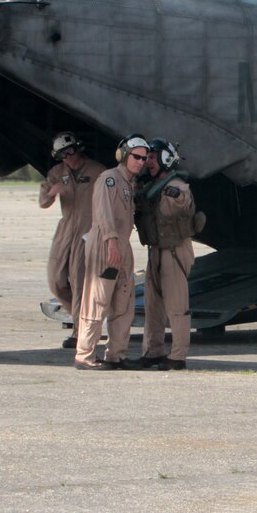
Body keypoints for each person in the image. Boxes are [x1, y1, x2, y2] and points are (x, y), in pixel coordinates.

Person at [73, 134, 149, 371]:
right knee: (97, 300)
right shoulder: (109, 179)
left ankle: (116, 354)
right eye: (136, 157)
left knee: (123, 302)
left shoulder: (129, 182)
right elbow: (103, 214)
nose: (140, 162)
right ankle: (84, 355)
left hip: (122, 245)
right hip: (106, 245)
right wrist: (111, 243)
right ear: (124, 155)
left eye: (144, 159)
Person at [39, 132, 106, 349]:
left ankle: (80, 331)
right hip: (65, 229)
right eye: (63, 155)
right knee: (56, 281)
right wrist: (52, 191)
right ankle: (82, 319)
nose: (68, 157)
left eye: (70, 151)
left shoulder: (97, 171)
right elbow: (42, 201)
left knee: (79, 282)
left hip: (88, 230)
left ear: (78, 148)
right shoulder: (57, 173)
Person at [134, 139, 197, 371]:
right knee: (153, 305)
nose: (148, 161)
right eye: (147, 157)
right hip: (156, 251)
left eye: (153, 157)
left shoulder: (178, 187)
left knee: (177, 305)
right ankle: (153, 351)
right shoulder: (149, 188)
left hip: (175, 251)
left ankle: (178, 355)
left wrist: (175, 196)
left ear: (165, 159)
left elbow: (184, 203)